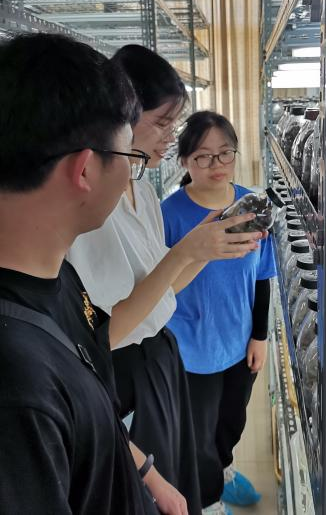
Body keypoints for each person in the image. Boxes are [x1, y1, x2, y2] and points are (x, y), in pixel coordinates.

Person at [67, 45, 263, 515]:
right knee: (153, 491)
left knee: (183, 468)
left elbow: (162, 290)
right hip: (126, 374)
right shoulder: (94, 209)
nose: (169, 136)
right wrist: (186, 252)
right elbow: (102, 335)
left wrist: (205, 249)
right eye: (162, 122)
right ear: (121, 116)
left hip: (160, 358)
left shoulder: (144, 191)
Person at [0, 33, 161, 514]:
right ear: (85, 169)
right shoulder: (19, 384)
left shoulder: (57, 278)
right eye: (131, 158)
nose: (132, 176)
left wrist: (144, 473)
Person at [161, 111, 277, 515]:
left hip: (239, 341)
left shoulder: (253, 206)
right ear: (184, 161)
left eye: (225, 153)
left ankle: (223, 471)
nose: (217, 165)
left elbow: (263, 276)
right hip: (191, 350)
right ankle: (208, 500)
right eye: (203, 156)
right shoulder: (169, 215)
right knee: (197, 438)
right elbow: (157, 287)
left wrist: (259, 335)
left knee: (231, 422)